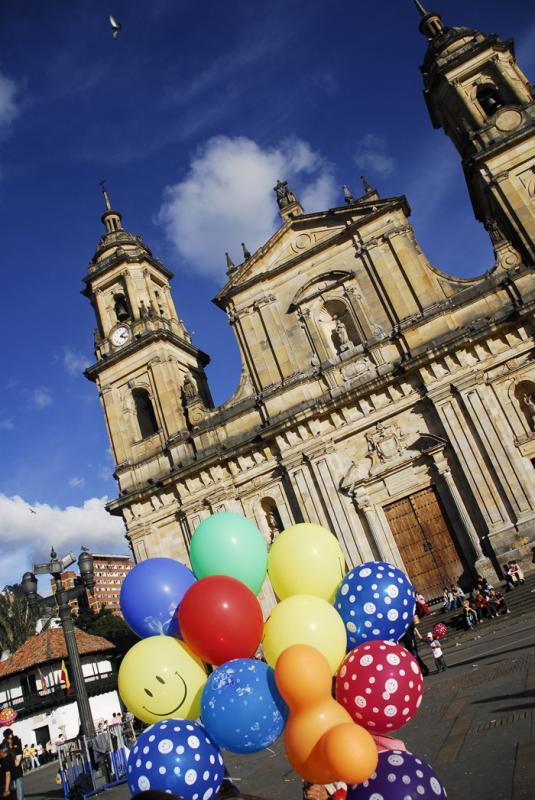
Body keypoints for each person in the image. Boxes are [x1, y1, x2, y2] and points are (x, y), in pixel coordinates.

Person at [2, 730, 23, 800]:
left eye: (7, 737)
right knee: (13, 796)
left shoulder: (17, 748)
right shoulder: (5, 747)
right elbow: (2, 755)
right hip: (10, 775)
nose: (7, 739)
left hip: (17, 773)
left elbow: (17, 762)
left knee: (19, 796)